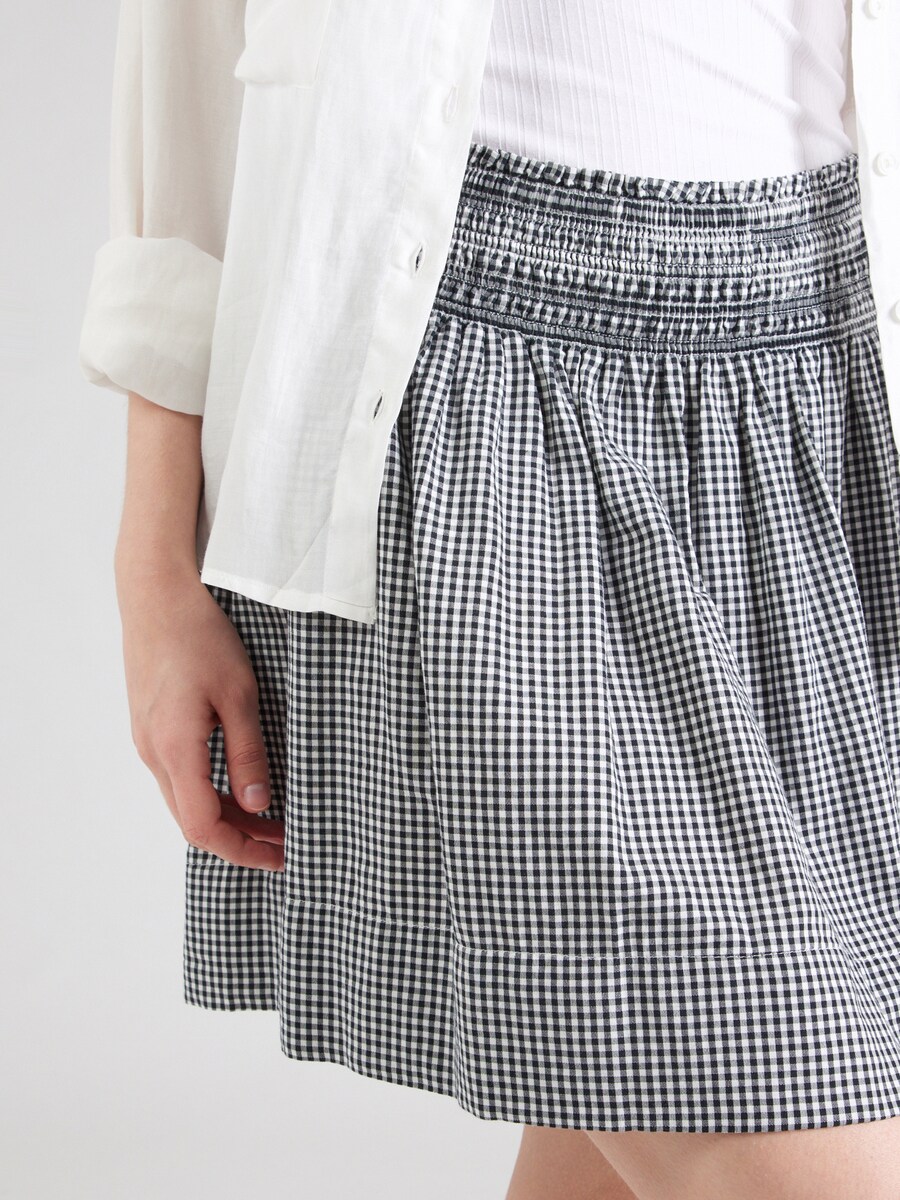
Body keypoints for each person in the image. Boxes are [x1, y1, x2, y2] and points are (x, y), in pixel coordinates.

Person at [78, 2, 900, 1197]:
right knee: (768, 1093)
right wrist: (151, 560)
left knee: (661, 1101)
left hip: (819, 393)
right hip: (473, 389)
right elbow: (188, 56)